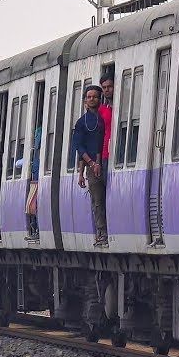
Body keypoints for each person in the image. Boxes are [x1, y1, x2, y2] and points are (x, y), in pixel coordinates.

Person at [71, 85, 108, 247]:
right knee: (97, 199)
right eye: (88, 97)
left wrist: (98, 161)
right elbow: (79, 147)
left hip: (100, 162)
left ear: (99, 99)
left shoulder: (101, 120)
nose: (91, 99)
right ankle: (101, 231)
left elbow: (99, 144)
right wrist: (88, 167)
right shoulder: (81, 122)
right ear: (85, 101)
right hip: (91, 165)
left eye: (94, 96)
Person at [26, 124, 42, 240]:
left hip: (37, 172)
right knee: (35, 203)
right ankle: (35, 228)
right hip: (37, 171)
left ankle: (36, 228)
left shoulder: (39, 132)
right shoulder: (39, 131)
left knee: (34, 202)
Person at [99, 74, 115, 165]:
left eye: (109, 87)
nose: (106, 90)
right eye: (104, 87)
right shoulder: (102, 110)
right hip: (105, 154)